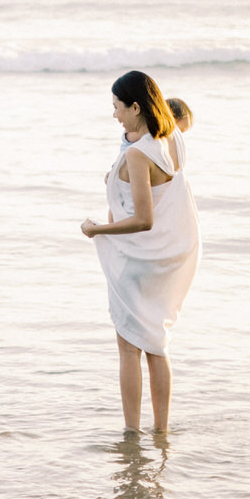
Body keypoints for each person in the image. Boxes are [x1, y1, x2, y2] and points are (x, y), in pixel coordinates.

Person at [81, 71, 200, 433]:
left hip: (136, 260)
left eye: (117, 107)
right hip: (165, 258)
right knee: (157, 347)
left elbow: (143, 218)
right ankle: (161, 432)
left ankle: (131, 434)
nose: (114, 114)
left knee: (129, 350)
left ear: (135, 107)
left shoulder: (136, 154)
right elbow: (162, 191)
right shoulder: (172, 140)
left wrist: (95, 229)